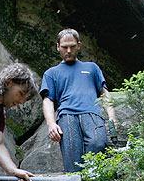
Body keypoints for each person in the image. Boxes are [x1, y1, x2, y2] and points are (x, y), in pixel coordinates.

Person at [40, 28, 118, 172]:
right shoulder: (51, 73)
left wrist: (112, 117)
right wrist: (51, 124)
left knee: (98, 143)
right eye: (64, 47)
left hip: (92, 113)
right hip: (67, 116)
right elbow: (48, 100)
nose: (68, 50)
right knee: (72, 157)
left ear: (79, 46)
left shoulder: (92, 68)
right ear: (58, 47)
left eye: (72, 46)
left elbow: (104, 93)